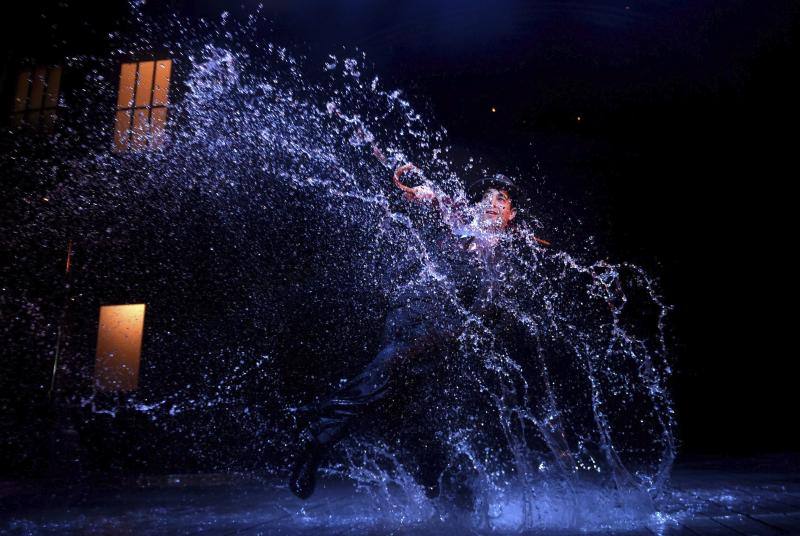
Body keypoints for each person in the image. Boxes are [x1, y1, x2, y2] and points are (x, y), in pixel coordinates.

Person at [288, 163, 543, 500]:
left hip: (443, 347)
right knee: (385, 380)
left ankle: (448, 497)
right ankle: (316, 434)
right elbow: (441, 202)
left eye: (503, 199)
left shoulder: (504, 259)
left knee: (426, 432)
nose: (492, 202)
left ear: (511, 216)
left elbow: (483, 315)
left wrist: (436, 341)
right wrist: (422, 192)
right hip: (412, 325)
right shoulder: (461, 230)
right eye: (487, 196)